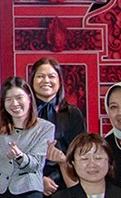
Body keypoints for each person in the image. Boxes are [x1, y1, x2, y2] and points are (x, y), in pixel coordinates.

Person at [27, 58, 89, 189]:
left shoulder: (72, 113)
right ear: (32, 80)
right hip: (29, 184)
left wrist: (54, 178)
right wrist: (40, 179)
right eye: (40, 76)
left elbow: (79, 152)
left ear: (60, 81)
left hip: (65, 182)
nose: (46, 81)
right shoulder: (23, 114)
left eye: (51, 76)